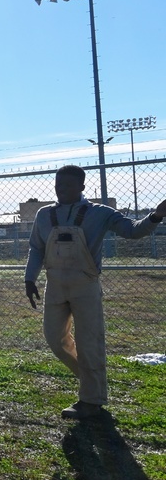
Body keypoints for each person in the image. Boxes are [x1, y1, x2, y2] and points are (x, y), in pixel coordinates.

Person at [24, 164, 166, 420]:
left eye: (67, 184)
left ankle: (91, 399)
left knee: (90, 342)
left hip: (85, 286)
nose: (60, 189)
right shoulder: (44, 215)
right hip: (54, 285)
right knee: (55, 339)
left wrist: (155, 216)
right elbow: (36, 248)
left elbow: (132, 231)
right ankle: (93, 380)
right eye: (58, 184)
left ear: (82, 186)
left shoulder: (100, 213)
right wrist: (29, 278)